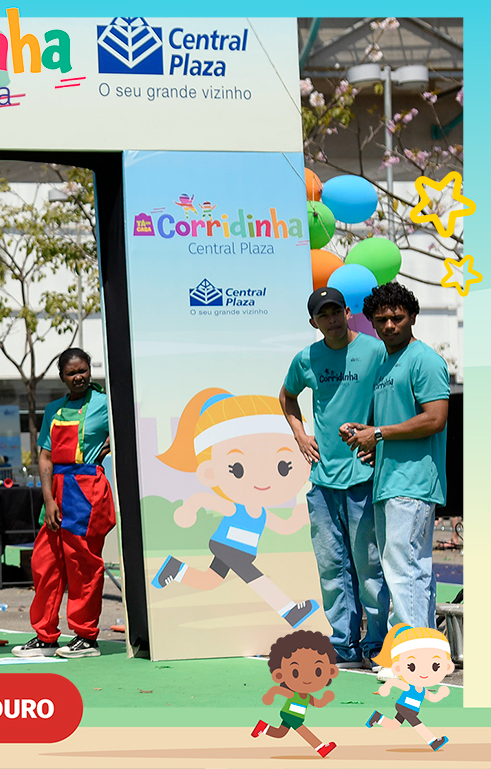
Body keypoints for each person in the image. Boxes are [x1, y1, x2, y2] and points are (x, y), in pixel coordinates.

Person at [280, 287, 390, 668]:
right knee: (332, 568)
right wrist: (300, 435)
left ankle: (376, 645)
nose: (331, 319)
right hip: (323, 481)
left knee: (369, 566)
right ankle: (344, 645)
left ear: (347, 311)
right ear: (314, 322)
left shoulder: (375, 350)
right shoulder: (306, 359)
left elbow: (393, 396)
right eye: (323, 315)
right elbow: (287, 396)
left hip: (363, 476)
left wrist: (378, 436)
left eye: (335, 311)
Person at [151, 388, 320, 629]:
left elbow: (283, 527)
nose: (262, 478)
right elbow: (204, 499)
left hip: (241, 550)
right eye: (237, 468)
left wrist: (300, 518)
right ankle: (290, 611)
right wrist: (188, 510)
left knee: (209, 581)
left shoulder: (262, 513)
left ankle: (175, 569)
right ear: (210, 472)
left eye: (283, 467)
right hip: (227, 547)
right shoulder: (237, 508)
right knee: (256, 579)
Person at [341, 283, 449, 633]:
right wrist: (367, 435)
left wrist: (379, 433)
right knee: (409, 569)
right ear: (372, 323)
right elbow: (393, 424)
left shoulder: (424, 359)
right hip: (389, 482)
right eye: (381, 320)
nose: (389, 326)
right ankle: (423, 646)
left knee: (404, 569)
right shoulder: (386, 364)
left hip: (414, 483)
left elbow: (435, 419)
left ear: (413, 317)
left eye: (397, 318)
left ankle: (409, 649)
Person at [12, 347, 115, 659]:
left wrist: (109, 445)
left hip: (86, 489)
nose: (78, 377)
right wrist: (48, 499)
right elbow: (45, 457)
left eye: (82, 370)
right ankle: (46, 637)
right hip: (56, 492)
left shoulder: (105, 403)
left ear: (90, 370)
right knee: (45, 564)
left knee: (83, 566)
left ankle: (86, 637)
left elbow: (129, 429)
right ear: (62, 377)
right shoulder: (54, 410)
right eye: (71, 373)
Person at [250, 630, 339, 758]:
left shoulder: (307, 696)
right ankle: (321, 748)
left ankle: (263, 727)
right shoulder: (294, 694)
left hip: (296, 715)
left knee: (280, 733)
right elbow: (278, 690)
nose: (307, 678)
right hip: (290, 715)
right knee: (303, 731)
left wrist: (326, 699)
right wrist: (270, 696)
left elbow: (318, 703)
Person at [365, 623, 453, 751]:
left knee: (394, 725)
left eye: (435, 667)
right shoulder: (410, 687)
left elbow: (433, 698)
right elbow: (394, 682)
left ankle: (377, 718)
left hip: (411, 709)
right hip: (404, 707)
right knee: (418, 724)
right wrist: (385, 688)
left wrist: (441, 694)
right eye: (412, 667)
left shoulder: (422, 690)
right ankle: (433, 741)